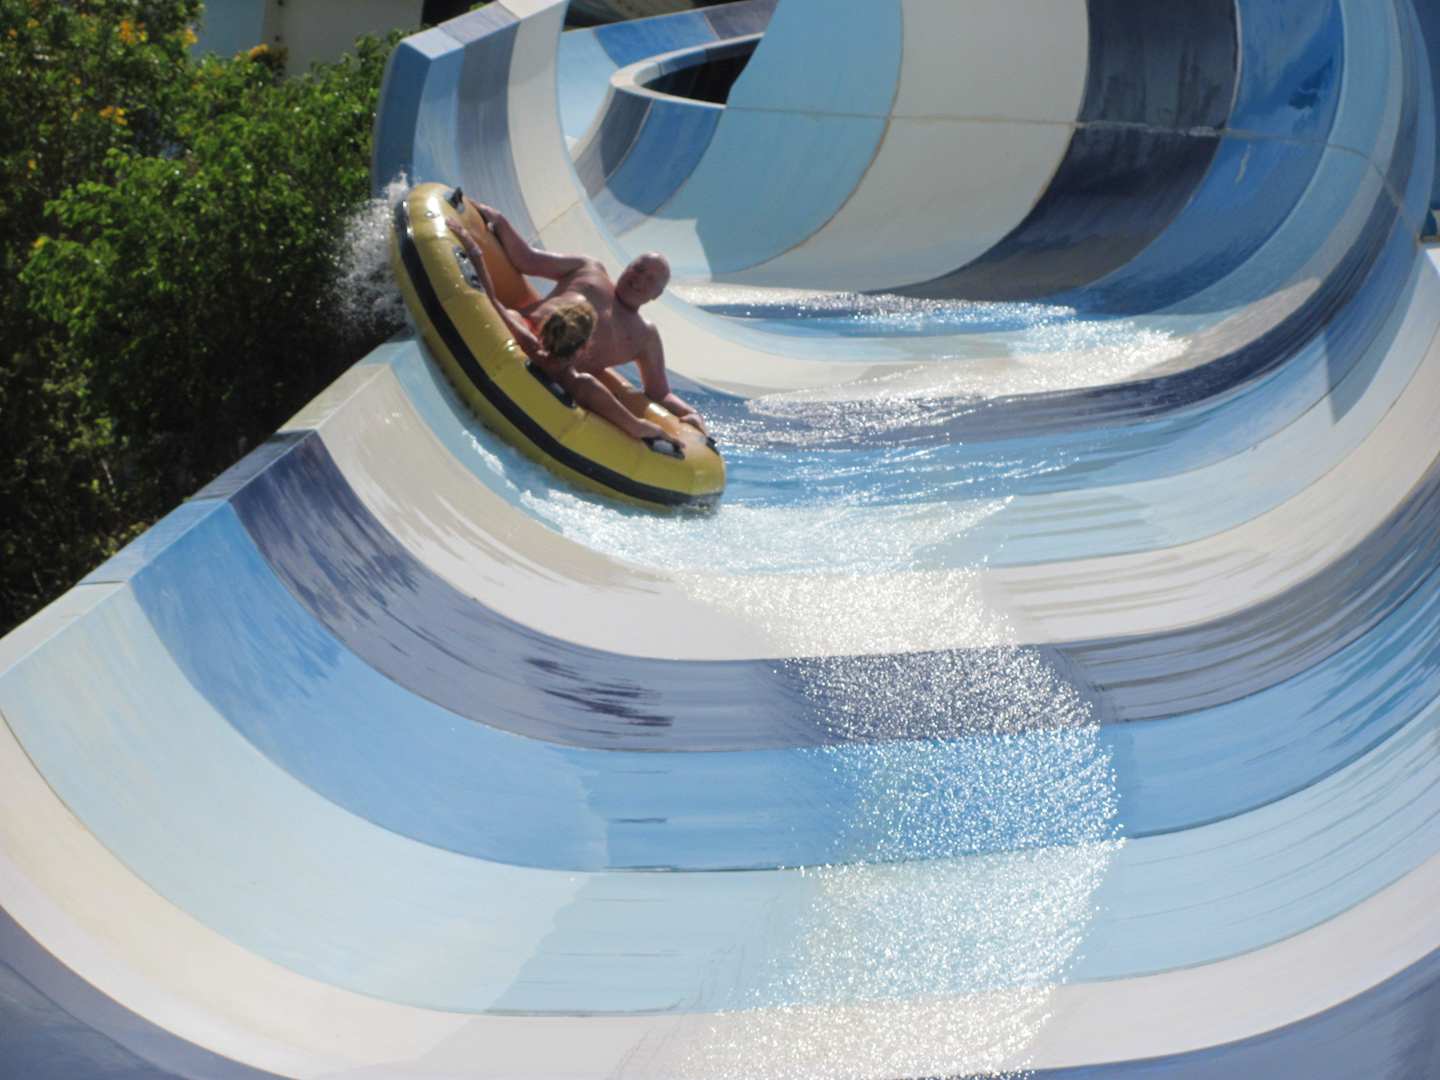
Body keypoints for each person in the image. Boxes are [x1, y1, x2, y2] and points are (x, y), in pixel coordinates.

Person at [445, 201, 706, 452]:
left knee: (586, 384)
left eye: (650, 280)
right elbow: (527, 259)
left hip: (554, 369)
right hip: (513, 332)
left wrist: (689, 413)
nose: (639, 280)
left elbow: (659, 392)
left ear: (657, 295)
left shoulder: (645, 336)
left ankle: (636, 426)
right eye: (638, 269)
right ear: (627, 267)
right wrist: (498, 221)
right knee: (512, 318)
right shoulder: (588, 268)